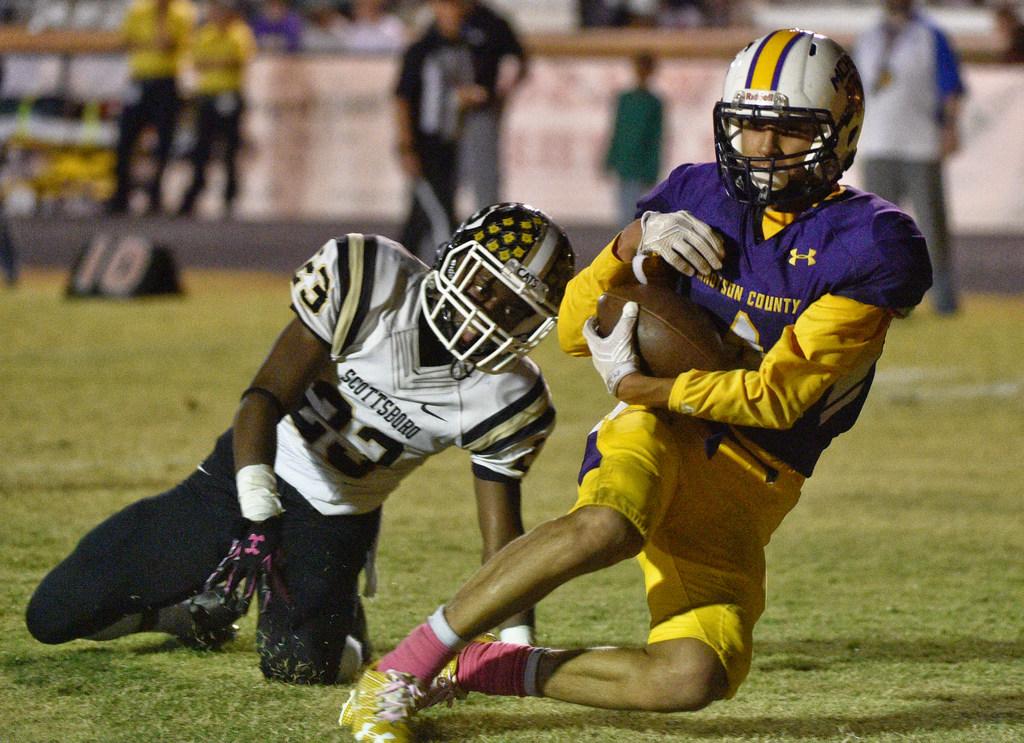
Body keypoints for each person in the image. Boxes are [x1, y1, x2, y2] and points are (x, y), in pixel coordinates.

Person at [340, 29, 933, 741]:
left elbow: (779, 398)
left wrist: (637, 386)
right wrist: (628, 245)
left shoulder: (872, 243)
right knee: (608, 524)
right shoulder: (696, 195)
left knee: (695, 675)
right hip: (664, 431)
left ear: (839, 134)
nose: (762, 147)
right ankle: (400, 670)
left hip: (755, 478)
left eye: (788, 130)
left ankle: (482, 667)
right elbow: (568, 328)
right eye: (748, 125)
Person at [25, 202, 576, 686]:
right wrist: (257, 509)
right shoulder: (370, 277)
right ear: (453, 257)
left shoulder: (510, 396)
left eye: (515, 308)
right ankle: (185, 616)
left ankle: (344, 622)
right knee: (55, 614)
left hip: (334, 517)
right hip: (245, 472)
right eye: (487, 285)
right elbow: (263, 397)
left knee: (304, 667)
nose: (490, 313)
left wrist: (516, 639)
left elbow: (502, 542)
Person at [854, 0, 966, 315]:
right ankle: (889, 300)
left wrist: (950, 128)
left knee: (932, 226)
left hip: (921, 145)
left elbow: (951, 88)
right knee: (880, 230)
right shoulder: (868, 37)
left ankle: (944, 301)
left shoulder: (931, 35)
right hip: (877, 145)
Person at [394, 0, 485, 263]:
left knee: (420, 218)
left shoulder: (463, 48)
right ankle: (449, 272)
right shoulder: (421, 51)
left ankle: (394, 269)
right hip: (425, 145)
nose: (453, 15)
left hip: (448, 144)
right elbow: (402, 98)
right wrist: (407, 147)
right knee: (442, 217)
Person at [107, 0, 196, 214]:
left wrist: (160, 23)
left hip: (166, 81)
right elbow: (125, 41)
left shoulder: (182, 12)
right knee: (125, 139)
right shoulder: (138, 9)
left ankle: (155, 195)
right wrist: (151, 44)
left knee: (164, 141)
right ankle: (121, 195)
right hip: (140, 80)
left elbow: (170, 44)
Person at [177, 0, 256, 217]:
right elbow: (197, 61)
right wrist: (219, 62)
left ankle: (229, 197)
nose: (217, 13)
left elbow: (236, 60)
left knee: (230, 150)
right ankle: (194, 193)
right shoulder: (205, 33)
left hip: (229, 96)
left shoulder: (239, 33)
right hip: (208, 97)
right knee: (201, 148)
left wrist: (214, 62)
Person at [458, 0, 528, 212]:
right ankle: (440, 234)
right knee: (443, 176)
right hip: (444, 112)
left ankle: (488, 227)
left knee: (485, 175)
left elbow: (519, 57)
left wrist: (504, 92)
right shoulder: (443, 21)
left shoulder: (492, 21)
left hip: (481, 109)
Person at [603, 52, 664, 227]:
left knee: (634, 212)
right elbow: (617, 130)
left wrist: (652, 168)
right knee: (624, 211)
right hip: (625, 162)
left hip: (640, 165)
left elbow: (656, 138)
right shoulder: (625, 99)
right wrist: (610, 158)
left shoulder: (654, 103)